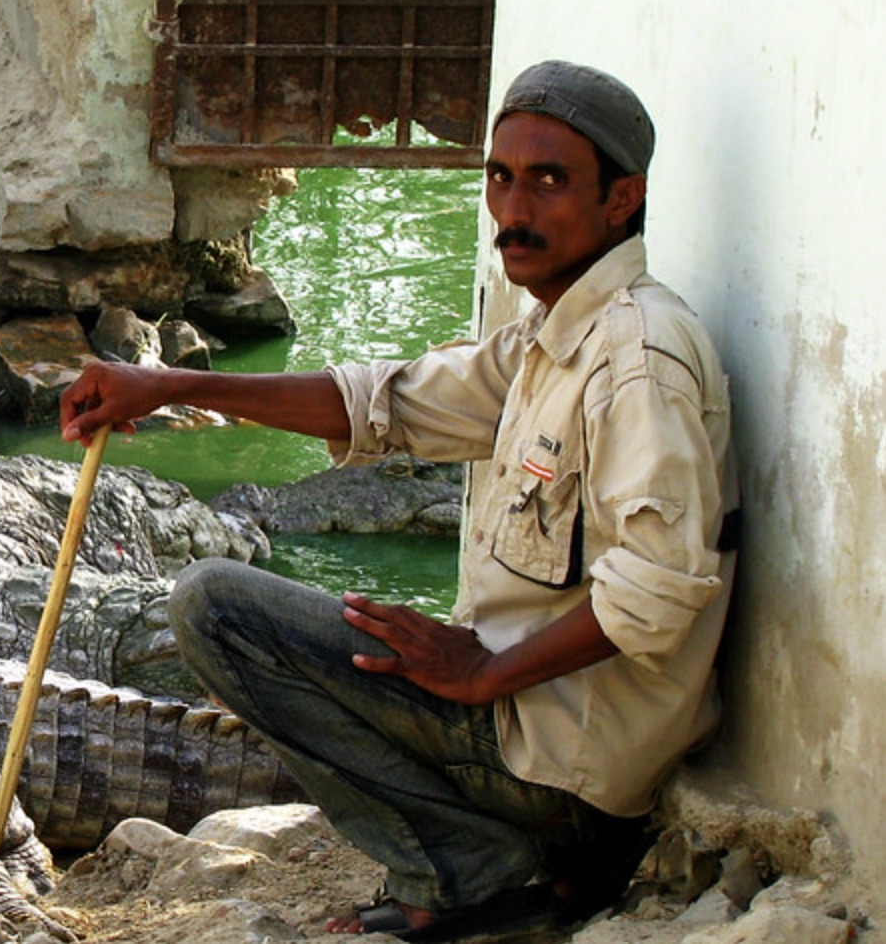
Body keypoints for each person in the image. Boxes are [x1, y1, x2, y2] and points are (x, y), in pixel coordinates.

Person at [59, 61, 736, 942]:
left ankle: (471, 873)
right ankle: (495, 857)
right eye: (500, 178)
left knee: (214, 606)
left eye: (549, 181)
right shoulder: (550, 333)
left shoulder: (636, 360)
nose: (515, 210)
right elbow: (383, 400)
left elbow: (660, 587)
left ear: (621, 201)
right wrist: (166, 384)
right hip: (530, 729)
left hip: (566, 765)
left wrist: (484, 672)